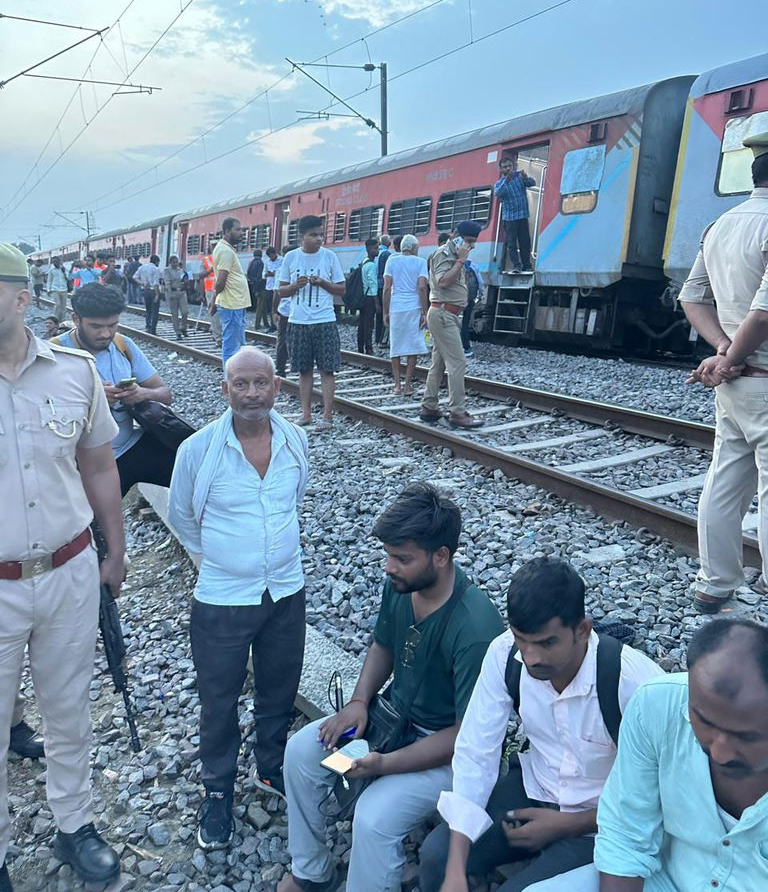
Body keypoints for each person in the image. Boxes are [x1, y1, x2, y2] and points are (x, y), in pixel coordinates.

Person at [277, 482, 505, 892]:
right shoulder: (403, 585)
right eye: (388, 555)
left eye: (401, 558)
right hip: (389, 725)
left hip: (444, 756)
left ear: (441, 556)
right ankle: (311, 873)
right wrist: (359, 702)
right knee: (301, 753)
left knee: (374, 815)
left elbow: (466, 738)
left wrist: (383, 766)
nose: (388, 566)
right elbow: (383, 643)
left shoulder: (476, 626)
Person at [419, 556, 662, 892]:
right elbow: (477, 753)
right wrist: (456, 868)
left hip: (602, 822)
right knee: (437, 857)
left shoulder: (633, 683)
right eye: (522, 639)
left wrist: (567, 825)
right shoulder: (505, 655)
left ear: (582, 630)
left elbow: (658, 794)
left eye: (547, 643)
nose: (531, 656)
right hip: (535, 789)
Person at [0, 244, 126, 892]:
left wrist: (117, 551)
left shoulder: (75, 374)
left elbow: (100, 466)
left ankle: (73, 823)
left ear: (23, 298)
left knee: (69, 711)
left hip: (69, 573)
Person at [168, 347, 309, 847]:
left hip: (286, 591)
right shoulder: (198, 450)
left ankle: (270, 767)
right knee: (219, 700)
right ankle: (219, 791)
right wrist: (224, 561)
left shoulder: (295, 440)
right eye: (241, 385)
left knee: (278, 689)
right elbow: (182, 515)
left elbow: (294, 499)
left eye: (261, 383)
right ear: (225, 389)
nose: (252, 394)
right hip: (223, 599)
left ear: (276, 386)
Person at [523, 619, 768, 892]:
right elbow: (626, 833)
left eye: (745, 737)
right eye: (704, 722)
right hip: (659, 878)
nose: (720, 752)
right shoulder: (657, 706)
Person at [679, 130, 768, 613]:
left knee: (725, 480)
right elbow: (764, 313)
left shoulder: (721, 225)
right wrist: (729, 355)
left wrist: (721, 351)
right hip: (761, 377)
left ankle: (714, 585)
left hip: (734, 384)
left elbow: (691, 296)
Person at [57, 284, 175, 497]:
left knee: (192, 470)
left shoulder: (122, 345)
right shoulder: (53, 355)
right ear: (76, 319)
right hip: (80, 464)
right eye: (96, 326)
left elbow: (165, 394)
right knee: (93, 525)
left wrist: (142, 393)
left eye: (113, 325)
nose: (106, 333)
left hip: (129, 447)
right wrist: (92, 400)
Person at [279, 216, 345, 429]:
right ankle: (306, 413)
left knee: (328, 369)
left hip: (325, 320)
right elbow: (281, 291)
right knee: (304, 369)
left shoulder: (329, 257)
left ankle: (327, 416)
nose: (319, 239)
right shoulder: (290, 258)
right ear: (302, 236)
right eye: (314, 235)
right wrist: (294, 286)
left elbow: (341, 289)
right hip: (298, 321)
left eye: (320, 235)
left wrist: (323, 283)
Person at [420, 221, 483, 430]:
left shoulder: (455, 256)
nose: (471, 246)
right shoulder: (443, 254)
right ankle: (457, 412)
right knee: (458, 363)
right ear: (456, 236)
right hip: (443, 314)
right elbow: (442, 282)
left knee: (438, 363)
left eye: (473, 242)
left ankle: (429, 406)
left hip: (448, 315)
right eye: (469, 241)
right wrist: (461, 262)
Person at [383, 234, 429, 395]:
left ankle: (397, 385)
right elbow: (422, 288)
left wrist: (385, 311)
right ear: (415, 248)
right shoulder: (421, 262)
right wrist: (425, 311)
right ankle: (408, 384)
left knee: (395, 346)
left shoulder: (392, 261)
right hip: (414, 307)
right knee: (412, 347)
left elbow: (387, 288)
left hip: (396, 307)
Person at [211, 218, 250, 366]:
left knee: (238, 344)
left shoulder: (226, 249)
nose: (241, 233)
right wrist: (214, 300)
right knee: (232, 345)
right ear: (227, 231)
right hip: (232, 303)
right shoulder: (225, 251)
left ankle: (237, 375)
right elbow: (221, 281)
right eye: (237, 230)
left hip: (236, 303)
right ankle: (230, 378)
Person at [495, 153, 536, 273]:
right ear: (501, 169)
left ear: (513, 166)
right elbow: (498, 193)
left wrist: (525, 177)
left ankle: (526, 265)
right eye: (505, 167)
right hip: (509, 218)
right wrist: (506, 181)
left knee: (525, 242)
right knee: (512, 244)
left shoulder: (519, 178)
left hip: (522, 215)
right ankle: (516, 266)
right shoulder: (499, 183)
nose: (508, 169)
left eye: (509, 166)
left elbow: (532, 183)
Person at [272, 246, 294, 378]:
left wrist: (274, 310)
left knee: (283, 340)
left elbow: (277, 292)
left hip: (285, 311)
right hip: (299, 312)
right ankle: (296, 367)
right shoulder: (303, 268)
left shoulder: (281, 270)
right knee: (296, 341)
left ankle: (280, 369)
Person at [357, 238, 379, 355]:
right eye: (376, 248)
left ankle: (360, 347)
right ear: (369, 249)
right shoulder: (371, 265)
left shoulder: (364, 262)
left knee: (362, 323)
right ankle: (369, 348)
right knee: (369, 324)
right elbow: (372, 283)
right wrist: (377, 302)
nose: (378, 250)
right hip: (370, 297)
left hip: (363, 296)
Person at [162, 255, 189, 338]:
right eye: (174, 262)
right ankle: (178, 332)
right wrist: (169, 293)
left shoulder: (181, 270)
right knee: (175, 313)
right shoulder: (167, 270)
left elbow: (185, 279)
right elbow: (167, 282)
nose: (175, 264)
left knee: (185, 312)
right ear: (170, 263)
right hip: (172, 292)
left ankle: (184, 327)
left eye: (176, 262)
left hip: (181, 292)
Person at [200, 243, 222, 347]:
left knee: (221, 313)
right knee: (215, 313)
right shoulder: (206, 260)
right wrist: (210, 270)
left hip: (222, 289)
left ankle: (217, 334)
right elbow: (200, 275)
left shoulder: (224, 258)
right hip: (210, 289)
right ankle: (218, 337)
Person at [461, 260, 484, 358]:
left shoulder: (453, 264)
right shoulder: (473, 265)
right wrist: (480, 294)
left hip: (455, 298)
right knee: (465, 323)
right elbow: (480, 282)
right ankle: (466, 349)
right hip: (469, 298)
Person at [134, 254, 162, 334]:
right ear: (157, 262)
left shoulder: (142, 267)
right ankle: (153, 329)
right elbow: (156, 283)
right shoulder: (156, 269)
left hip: (146, 291)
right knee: (155, 311)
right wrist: (157, 294)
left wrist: (142, 284)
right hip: (153, 291)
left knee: (148, 310)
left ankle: (148, 326)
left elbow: (135, 277)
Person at [375, 235, 393, 347]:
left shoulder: (376, 253)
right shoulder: (387, 255)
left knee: (377, 314)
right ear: (389, 243)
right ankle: (383, 339)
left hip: (374, 286)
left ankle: (377, 338)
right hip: (383, 285)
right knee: (385, 312)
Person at [247, 250, 269, 330]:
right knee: (260, 306)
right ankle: (257, 324)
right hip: (261, 287)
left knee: (263, 306)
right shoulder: (260, 263)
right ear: (261, 255)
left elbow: (249, 274)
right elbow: (259, 277)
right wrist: (258, 289)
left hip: (254, 286)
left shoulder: (251, 263)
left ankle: (266, 323)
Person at [264, 247, 283, 333]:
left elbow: (282, 273)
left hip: (278, 287)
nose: (271, 257)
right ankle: (272, 325)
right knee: (270, 307)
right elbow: (263, 274)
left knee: (278, 307)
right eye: (270, 256)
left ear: (275, 253)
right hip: (269, 286)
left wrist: (274, 273)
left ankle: (278, 324)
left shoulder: (282, 260)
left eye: (272, 255)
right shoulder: (267, 262)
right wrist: (268, 274)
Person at [45, 255, 69, 322]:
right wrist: (48, 290)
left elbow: (68, 278)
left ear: (59, 261)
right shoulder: (51, 270)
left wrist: (64, 272)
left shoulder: (64, 269)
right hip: (55, 289)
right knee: (58, 304)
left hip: (64, 289)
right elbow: (49, 280)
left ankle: (63, 320)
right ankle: (56, 319)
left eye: (56, 261)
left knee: (63, 306)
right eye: (54, 262)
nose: (55, 263)